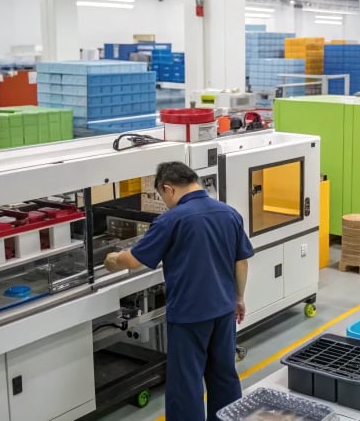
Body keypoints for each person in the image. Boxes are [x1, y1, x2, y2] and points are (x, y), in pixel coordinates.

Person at [104, 162, 254, 421]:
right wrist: (238, 298)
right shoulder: (229, 213)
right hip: (223, 309)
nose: (165, 203)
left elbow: (133, 261)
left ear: (168, 188)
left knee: (186, 383)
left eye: (163, 197)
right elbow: (241, 261)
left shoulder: (171, 220)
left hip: (189, 315)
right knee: (223, 374)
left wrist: (113, 258)